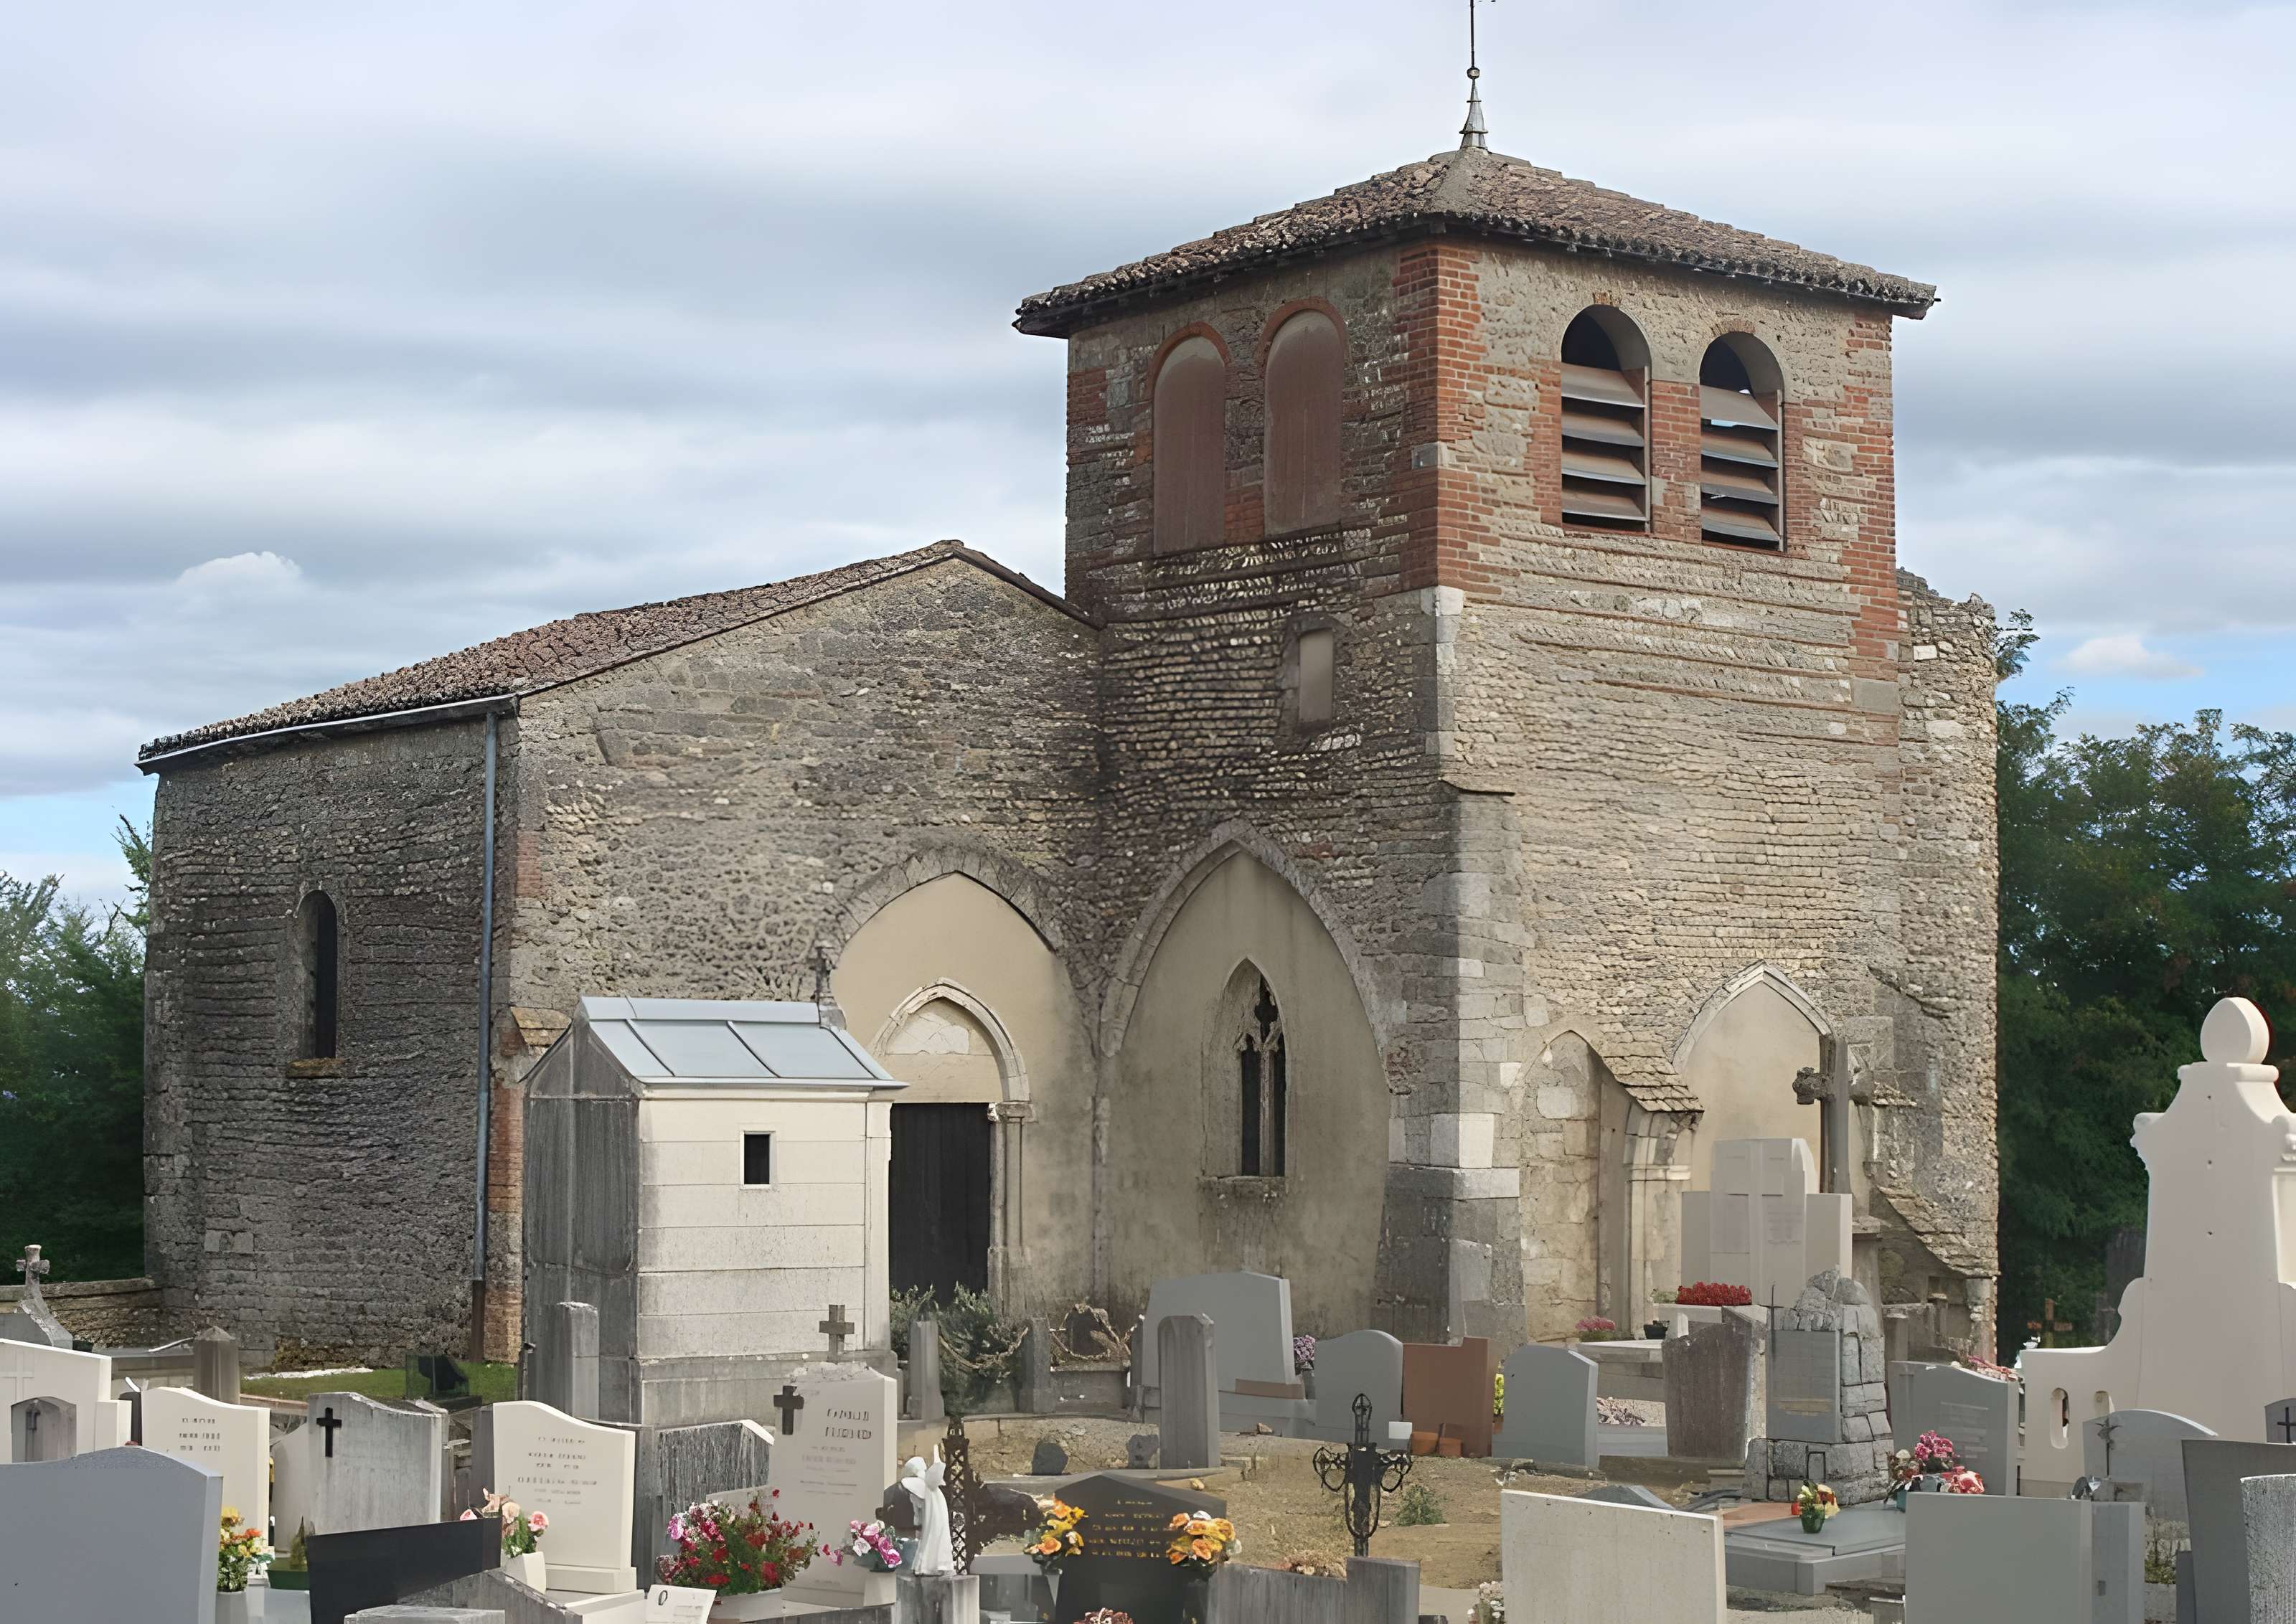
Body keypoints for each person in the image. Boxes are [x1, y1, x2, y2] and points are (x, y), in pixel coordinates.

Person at [901, 1445, 954, 1575]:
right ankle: (940, 1564)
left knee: (930, 1539)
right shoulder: (934, 1487)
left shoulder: (919, 1486)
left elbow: (917, 1510)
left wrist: (917, 1525)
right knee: (937, 1537)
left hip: (930, 1518)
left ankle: (928, 1566)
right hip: (937, 1516)